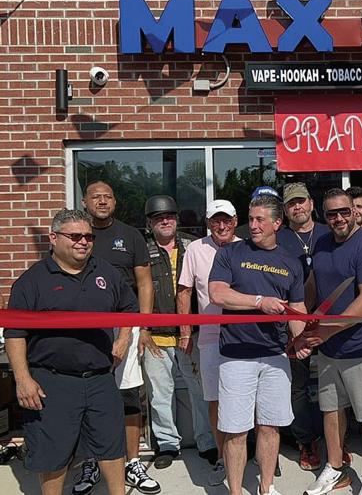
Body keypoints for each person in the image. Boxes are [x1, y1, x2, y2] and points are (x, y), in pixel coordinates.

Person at [4, 209, 138, 495]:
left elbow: (129, 306)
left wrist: (124, 338)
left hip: (100, 378)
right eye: (75, 236)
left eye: (89, 236)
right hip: (52, 381)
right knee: (53, 452)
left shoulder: (106, 272)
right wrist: (23, 379)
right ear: (53, 238)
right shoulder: (32, 281)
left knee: (111, 446)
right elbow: (14, 333)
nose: (83, 242)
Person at [294, 188, 362, 495]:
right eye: (332, 213)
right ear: (323, 216)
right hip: (330, 349)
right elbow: (314, 285)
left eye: (344, 212)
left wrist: (325, 332)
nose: (338, 218)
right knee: (331, 410)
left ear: (356, 211)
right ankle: (336, 468)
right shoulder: (322, 243)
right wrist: (300, 318)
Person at [208, 194, 309, 495]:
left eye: (260, 220)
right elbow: (217, 293)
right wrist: (258, 302)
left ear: (277, 223)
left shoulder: (291, 262)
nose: (253, 225)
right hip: (237, 354)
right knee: (236, 430)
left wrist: (301, 338)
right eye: (251, 219)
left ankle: (267, 487)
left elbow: (297, 308)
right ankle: (236, 491)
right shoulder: (230, 253)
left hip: (276, 356)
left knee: (270, 426)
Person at [75, 181, 159, 495]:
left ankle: (132, 462)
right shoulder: (78, 235)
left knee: (128, 396)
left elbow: (145, 283)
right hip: (86, 330)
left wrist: (144, 327)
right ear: (84, 202)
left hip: (126, 326)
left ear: (115, 202)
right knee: (86, 397)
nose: (102, 201)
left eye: (107, 196)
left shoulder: (131, 235)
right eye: (95, 196)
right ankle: (91, 462)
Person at [142, 195, 217, 469]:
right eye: (158, 218)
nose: (165, 221)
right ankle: (167, 444)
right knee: (160, 393)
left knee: (201, 390)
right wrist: (143, 328)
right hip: (156, 335)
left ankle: (206, 441)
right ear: (149, 223)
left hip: (193, 334)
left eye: (169, 216)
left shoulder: (194, 246)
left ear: (176, 219)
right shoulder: (143, 249)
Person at [177, 199, 241, 486]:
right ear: (208, 223)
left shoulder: (247, 248)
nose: (221, 225)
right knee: (215, 400)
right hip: (210, 337)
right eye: (216, 220)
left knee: (245, 399)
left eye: (226, 220)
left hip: (244, 337)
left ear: (235, 221)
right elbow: (184, 292)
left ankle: (250, 453)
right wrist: (185, 332)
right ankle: (222, 457)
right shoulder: (195, 249)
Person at [276, 182, 330, 471]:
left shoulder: (328, 232)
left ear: (311, 203)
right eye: (291, 204)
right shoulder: (279, 238)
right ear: (285, 210)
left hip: (329, 321)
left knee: (332, 383)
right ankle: (305, 441)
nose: (297, 207)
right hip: (293, 323)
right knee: (298, 386)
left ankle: (337, 439)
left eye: (301, 201)